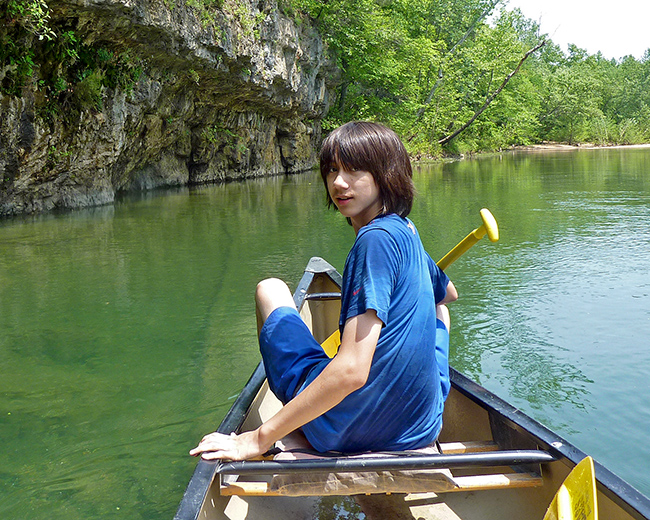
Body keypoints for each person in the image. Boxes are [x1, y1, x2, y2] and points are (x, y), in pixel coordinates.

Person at [191, 121, 458, 461]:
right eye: (332, 170)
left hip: (346, 430)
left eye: (355, 170)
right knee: (440, 312)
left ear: (387, 174)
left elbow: (351, 371)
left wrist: (256, 439)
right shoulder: (406, 230)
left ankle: (301, 422)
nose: (338, 183)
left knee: (270, 289)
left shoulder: (374, 241)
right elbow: (448, 293)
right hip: (420, 428)